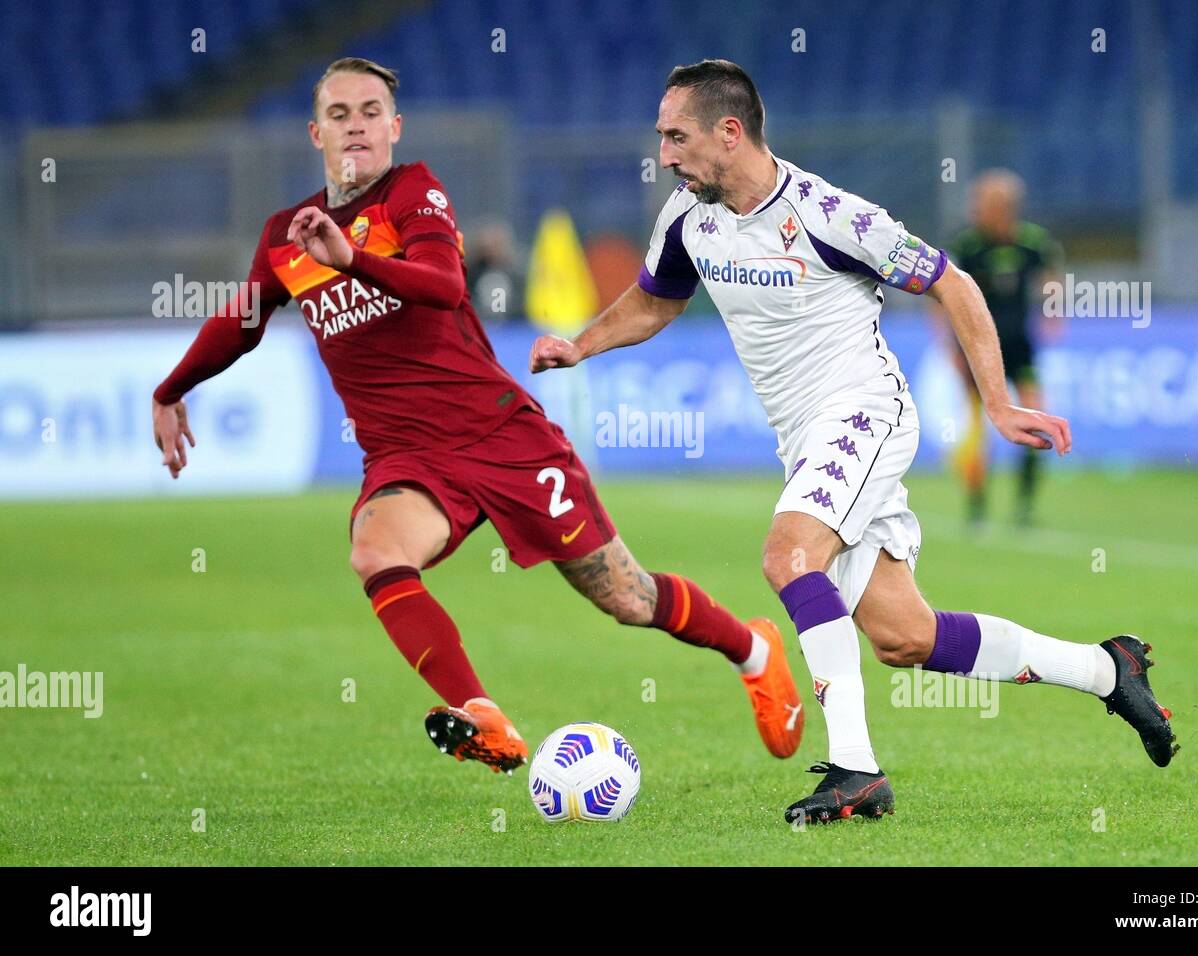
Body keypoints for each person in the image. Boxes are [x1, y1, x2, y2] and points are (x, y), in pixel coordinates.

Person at [531, 59, 1177, 824]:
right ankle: (1108, 669)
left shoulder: (830, 213)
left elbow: (953, 282)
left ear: (729, 133)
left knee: (788, 555)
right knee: (905, 637)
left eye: (677, 136)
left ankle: (855, 772)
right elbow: (654, 301)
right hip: (802, 438)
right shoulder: (686, 218)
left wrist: (997, 404)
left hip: (864, 412)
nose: (665, 154)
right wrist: (581, 344)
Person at [151, 57, 804, 776]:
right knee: (375, 550)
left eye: (371, 112)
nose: (357, 126)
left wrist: (353, 261)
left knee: (627, 597)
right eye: (340, 115)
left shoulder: (412, 193)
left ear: (393, 127)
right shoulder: (286, 235)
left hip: (501, 435)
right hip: (407, 458)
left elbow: (442, 283)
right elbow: (243, 320)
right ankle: (483, 713)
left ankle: (752, 648)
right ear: (317, 133)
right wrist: (171, 389)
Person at [944, 170, 1065, 525]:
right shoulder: (967, 246)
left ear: (1004, 208)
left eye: (982, 204)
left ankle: (1024, 504)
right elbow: (941, 296)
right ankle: (977, 504)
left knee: (1035, 416)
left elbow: (1052, 274)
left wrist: (1053, 311)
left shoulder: (1032, 242)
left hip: (1018, 345)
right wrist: (947, 342)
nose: (976, 210)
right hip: (975, 348)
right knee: (977, 429)